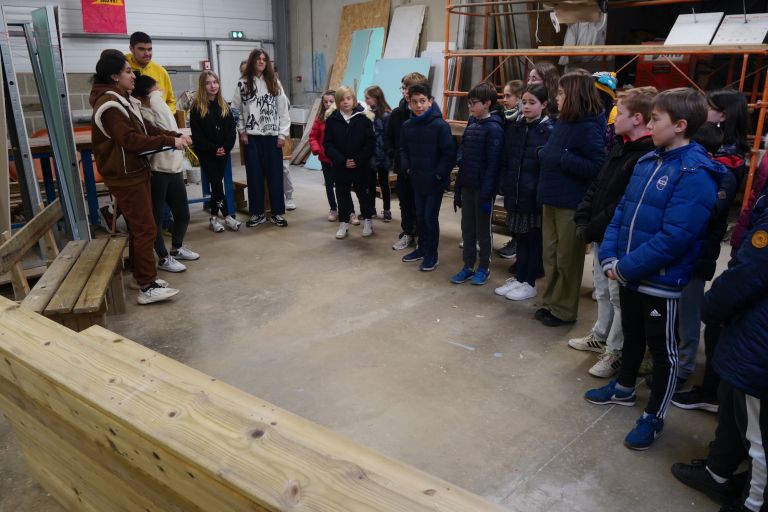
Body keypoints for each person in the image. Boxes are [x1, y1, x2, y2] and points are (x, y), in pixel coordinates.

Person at [584, 87, 724, 450]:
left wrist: (626, 267)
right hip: (629, 272)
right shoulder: (648, 161)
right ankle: (624, 388)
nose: (650, 124)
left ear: (679, 126)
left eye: (656, 119)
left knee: (664, 353)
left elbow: (677, 236)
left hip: (659, 281)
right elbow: (621, 214)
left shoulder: (696, 172)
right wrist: (610, 258)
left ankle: (654, 416)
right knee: (631, 335)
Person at [569, 86, 657, 378]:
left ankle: (615, 351)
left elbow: (624, 202)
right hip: (602, 234)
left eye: (619, 110)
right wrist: (584, 214)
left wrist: (593, 225)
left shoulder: (645, 154)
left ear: (638, 119)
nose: (613, 115)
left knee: (619, 296)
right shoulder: (620, 145)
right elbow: (599, 184)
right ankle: (600, 334)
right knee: (602, 291)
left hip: (619, 237)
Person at [672, 88, 751, 412]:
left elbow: (711, 208)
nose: (705, 110)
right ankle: (676, 357)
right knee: (678, 307)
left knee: (690, 310)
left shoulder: (725, 158)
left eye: (711, 107)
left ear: (724, 115)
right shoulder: (711, 151)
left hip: (699, 246)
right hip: (688, 243)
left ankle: (684, 365)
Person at [90, 51, 188, 304]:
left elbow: (146, 129)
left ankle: (140, 276)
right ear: (114, 76)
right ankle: (147, 286)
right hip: (126, 175)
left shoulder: (122, 99)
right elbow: (131, 140)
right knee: (146, 227)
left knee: (140, 228)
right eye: (127, 71)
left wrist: (173, 136)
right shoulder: (110, 105)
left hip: (134, 171)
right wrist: (170, 140)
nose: (133, 75)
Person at [536, 71, 607, 327]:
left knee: (567, 260)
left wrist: (562, 158)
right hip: (551, 197)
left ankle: (564, 310)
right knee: (551, 256)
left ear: (575, 95)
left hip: (570, 202)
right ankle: (550, 302)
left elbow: (598, 165)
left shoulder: (589, 127)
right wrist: (546, 153)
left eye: (562, 93)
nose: (557, 97)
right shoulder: (565, 121)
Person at [131, 75, 198, 274]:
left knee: (182, 214)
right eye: (156, 90)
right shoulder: (142, 112)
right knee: (156, 218)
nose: (160, 92)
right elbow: (165, 127)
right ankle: (163, 257)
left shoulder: (155, 107)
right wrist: (155, 98)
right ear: (147, 95)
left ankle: (176, 249)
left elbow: (172, 128)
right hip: (157, 171)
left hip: (174, 168)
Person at [493, 84, 553, 301]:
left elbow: (546, 167)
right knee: (520, 237)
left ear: (544, 105)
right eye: (524, 102)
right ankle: (520, 277)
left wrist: (538, 192)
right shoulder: (516, 127)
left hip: (533, 197)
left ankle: (530, 282)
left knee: (532, 240)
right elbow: (508, 160)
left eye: (532, 103)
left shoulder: (548, 131)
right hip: (516, 194)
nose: (526, 107)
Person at [399, 82, 457, 271]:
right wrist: (407, 168)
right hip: (417, 180)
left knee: (430, 218)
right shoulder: (407, 126)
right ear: (409, 103)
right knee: (420, 217)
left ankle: (432, 255)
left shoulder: (440, 126)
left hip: (434, 183)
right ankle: (421, 249)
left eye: (422, 101)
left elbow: (449, 154)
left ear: (430, 101)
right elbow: (403, 150)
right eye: (414, 102)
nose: (418, 106)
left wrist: (439, 175)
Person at [451, 81, 504, 286]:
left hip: (483, 190)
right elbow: (463, 157)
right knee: (467, 229)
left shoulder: (494, 129)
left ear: (487, 103)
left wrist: (487, 193)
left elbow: (494, 165)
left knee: (483, 231)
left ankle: (483, 267)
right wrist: (458, 189)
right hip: (467, 186)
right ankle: (467, 265)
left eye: (474, 103)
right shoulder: (472, 124)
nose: (470, 107)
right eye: (469, 103)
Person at [231, 48, 291, 228]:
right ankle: (257, 213)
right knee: (254, 177)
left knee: (275, 176)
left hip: (273, 137)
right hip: (252, 138)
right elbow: (235, 109)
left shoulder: (274, 82)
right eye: (258, 59)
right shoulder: (243, 83)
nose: (262, 62)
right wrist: (242, 131)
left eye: (265, 59)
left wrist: (282, 134)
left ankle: (277, 213)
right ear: (252, 61)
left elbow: (283, 110)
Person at [189, 70, 239, 233]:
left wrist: (225, 147)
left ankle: (214, 218)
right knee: (217, 184)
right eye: (209, 83)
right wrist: (212, 148)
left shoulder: (224, 105)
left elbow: (232, 130)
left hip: (223, 152)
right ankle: (227, 216)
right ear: (203, 86)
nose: (213, 86)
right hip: (207, 154)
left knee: (217, 185)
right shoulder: (197, 108)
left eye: (215, 82)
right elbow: (197, 135)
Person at [323, 86, 375, 239]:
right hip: (341, 166)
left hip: (361, 165)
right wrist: (342, 160)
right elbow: (328, 144)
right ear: (337, 103)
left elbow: (370, 142)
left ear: (353, 100)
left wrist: (358, 159)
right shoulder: (332, 120)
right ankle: (344, 223)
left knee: (363, 193)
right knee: (342, 195)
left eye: (348, 99)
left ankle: (367, 220)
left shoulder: (363, 118)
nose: (345, 102)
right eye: (342, 100)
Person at [386, 71, 429, 251]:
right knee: (405, 203)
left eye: (408, 88)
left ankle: (422, 234)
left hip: (422, 170)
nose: (405, 91)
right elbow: (389, 140)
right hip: (403, 169)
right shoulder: (397, 114)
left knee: (422, 205)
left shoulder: (427, 114)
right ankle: (408, 233)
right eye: (403, 88)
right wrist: (398, 160)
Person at [496, 79, 525, 262]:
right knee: (510, 208)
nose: (504, 100)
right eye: (503, 95)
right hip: (508, 170)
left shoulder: (521, 121)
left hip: (519, 173)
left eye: (508, 96)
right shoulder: (506, 118)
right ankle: (513, 239)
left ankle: (517, 242)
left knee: (519, 211)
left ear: (519, 97)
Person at [125, 32, 176, 113]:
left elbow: (171, 101)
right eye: (141, 49)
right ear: (131, 49)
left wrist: (165, 116)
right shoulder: (122, 69)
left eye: (149, 49)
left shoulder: (161, 71)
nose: (147, 53)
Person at [364, 85, 393, 222]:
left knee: (383, 183)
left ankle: (387, 209)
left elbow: (389, 136)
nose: (366, 100)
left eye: (368, 98)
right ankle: (371, 209)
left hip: (383, 155)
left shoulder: (387, 115)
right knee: (369, 183)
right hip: (370, 155)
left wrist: (387, 154)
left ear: (376, 98)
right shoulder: (368, 114)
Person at [309, 90, 338, 221]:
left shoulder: (342, 117)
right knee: (329, 184)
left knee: (342, 185)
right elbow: (313, 136)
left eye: (331, 101)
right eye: (325, 102)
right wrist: (317, 149)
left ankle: (347, 210)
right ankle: (333, 208)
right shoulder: (320, 119)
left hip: (339, 158)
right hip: (325, 158)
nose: (328, 104)